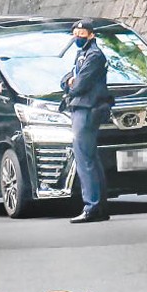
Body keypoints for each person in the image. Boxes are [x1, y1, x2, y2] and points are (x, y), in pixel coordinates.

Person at [60, 18, 113, 223]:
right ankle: (99, 206)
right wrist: (69, 81)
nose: (77, 38)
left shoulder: (94, 55)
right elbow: (67, 78)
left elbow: (79, 84)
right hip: (82, 108)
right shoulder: (82, 54)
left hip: (87, 109)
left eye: (81, 35)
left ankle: (92, 206)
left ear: (91, 35)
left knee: (85, 160)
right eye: (75, 35)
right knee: (90, 158)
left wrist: (71, 83)